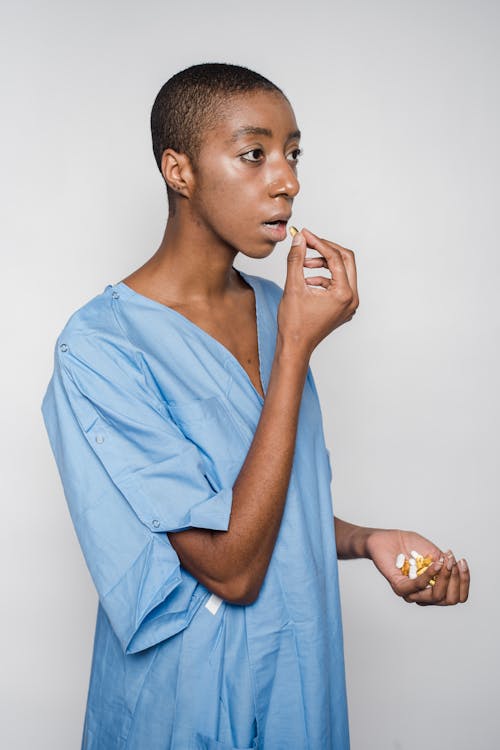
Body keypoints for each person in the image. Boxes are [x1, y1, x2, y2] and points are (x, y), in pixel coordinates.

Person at [41, 63, 470, 750]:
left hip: (299, 680)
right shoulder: (100, 347)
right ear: (178, 170)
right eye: (254, 153)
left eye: (293, 153)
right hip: (187, 700)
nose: (288, 180)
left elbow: (265, 503)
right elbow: (229, 564)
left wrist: (366, 541)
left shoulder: (278, 309)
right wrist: (296, 351)